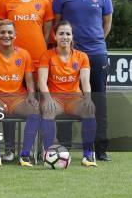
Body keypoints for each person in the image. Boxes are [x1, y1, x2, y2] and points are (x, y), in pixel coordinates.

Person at [52, 0, 112, 161]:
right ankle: (65, 147)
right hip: (68, 55)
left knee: (98, 100)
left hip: (96, 54)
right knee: (66, 97)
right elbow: (57, 24)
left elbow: (106, 24)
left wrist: (95, 42)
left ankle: (100, 149)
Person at [33, 20, 97, 167]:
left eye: (68, 34)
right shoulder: (47, 55)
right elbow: (41, 81)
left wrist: (87, 99)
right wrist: (48, 99)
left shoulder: (82, 56)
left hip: (74, 99)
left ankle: (87, 155)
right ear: (55, 36)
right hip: (55, 99)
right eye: (61, 33)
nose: (65, 37)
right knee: (48, 110)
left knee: (89, 109)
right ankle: (49, 152)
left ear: (72, 36)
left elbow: (85, 82)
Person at [0, 21, 39, 166]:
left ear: (15, 35)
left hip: (18, 99)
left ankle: (24, 156)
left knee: (36, 112)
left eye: (10, 32)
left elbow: (30, 82)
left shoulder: (24, 54)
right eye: (3, 32)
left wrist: (31, 96)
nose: (6, 35)